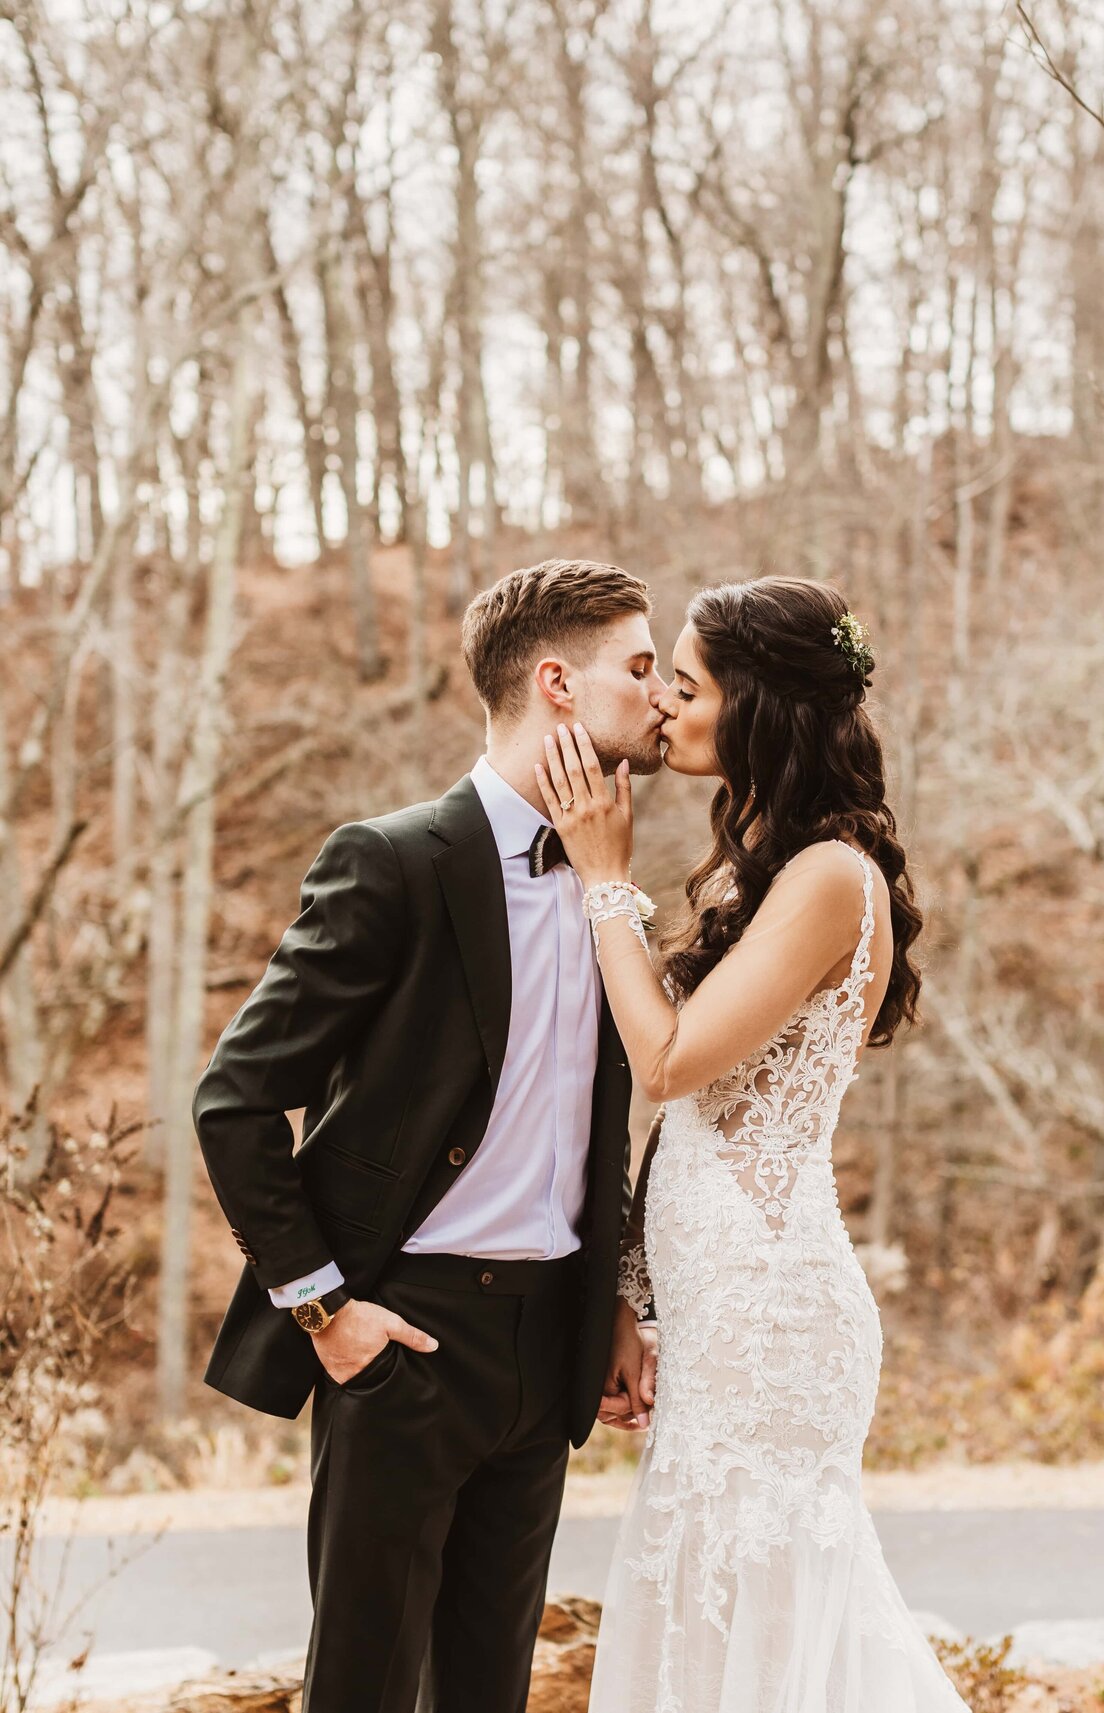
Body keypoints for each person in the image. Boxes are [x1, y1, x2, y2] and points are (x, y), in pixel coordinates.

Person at [191, 558, 665, 1713]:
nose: (665, 694)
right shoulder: (393, 861)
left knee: (488, 1691)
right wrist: (325, 1310)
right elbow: (237, 1101)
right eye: (640, 668)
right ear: (558, 683)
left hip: (549, 1334)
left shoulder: (613, 879)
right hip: (405, 1332)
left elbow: (590, 1114)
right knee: (362, 1686)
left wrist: (609, 1296)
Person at [537, 577, 971, 1712]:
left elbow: (672, 1063)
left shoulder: (831, 876)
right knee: (704, 1625)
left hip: (774, 1318)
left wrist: (604, 885)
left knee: (769, 1639)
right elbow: (695, 1125)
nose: (665, 708)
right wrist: (634, 1295)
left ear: (759, 707)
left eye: (686, 685)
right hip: (715, 1304)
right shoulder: (760, 870)